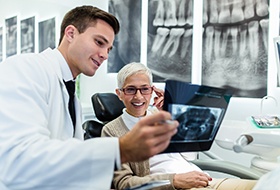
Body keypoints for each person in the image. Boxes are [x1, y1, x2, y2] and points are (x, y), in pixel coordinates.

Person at [0, 6, 178, 190]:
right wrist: (121, 150)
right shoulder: (24, 69)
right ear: (71, 33)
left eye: (109, 48)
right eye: (99, 42)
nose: (105, 55)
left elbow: (70, 169)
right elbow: (20, 161)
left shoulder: (71, 96)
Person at [101, 62, 257, 190]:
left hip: (203, 180)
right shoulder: (111, 131)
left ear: (152, 90)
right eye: (130, 90)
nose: (139, 96)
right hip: (175, 186)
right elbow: (124, 184)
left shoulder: (159, 115)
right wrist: (174, 181)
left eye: (144, 89)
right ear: (119, 93)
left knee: (266, 185)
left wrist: (174, 116)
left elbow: (190, 156)